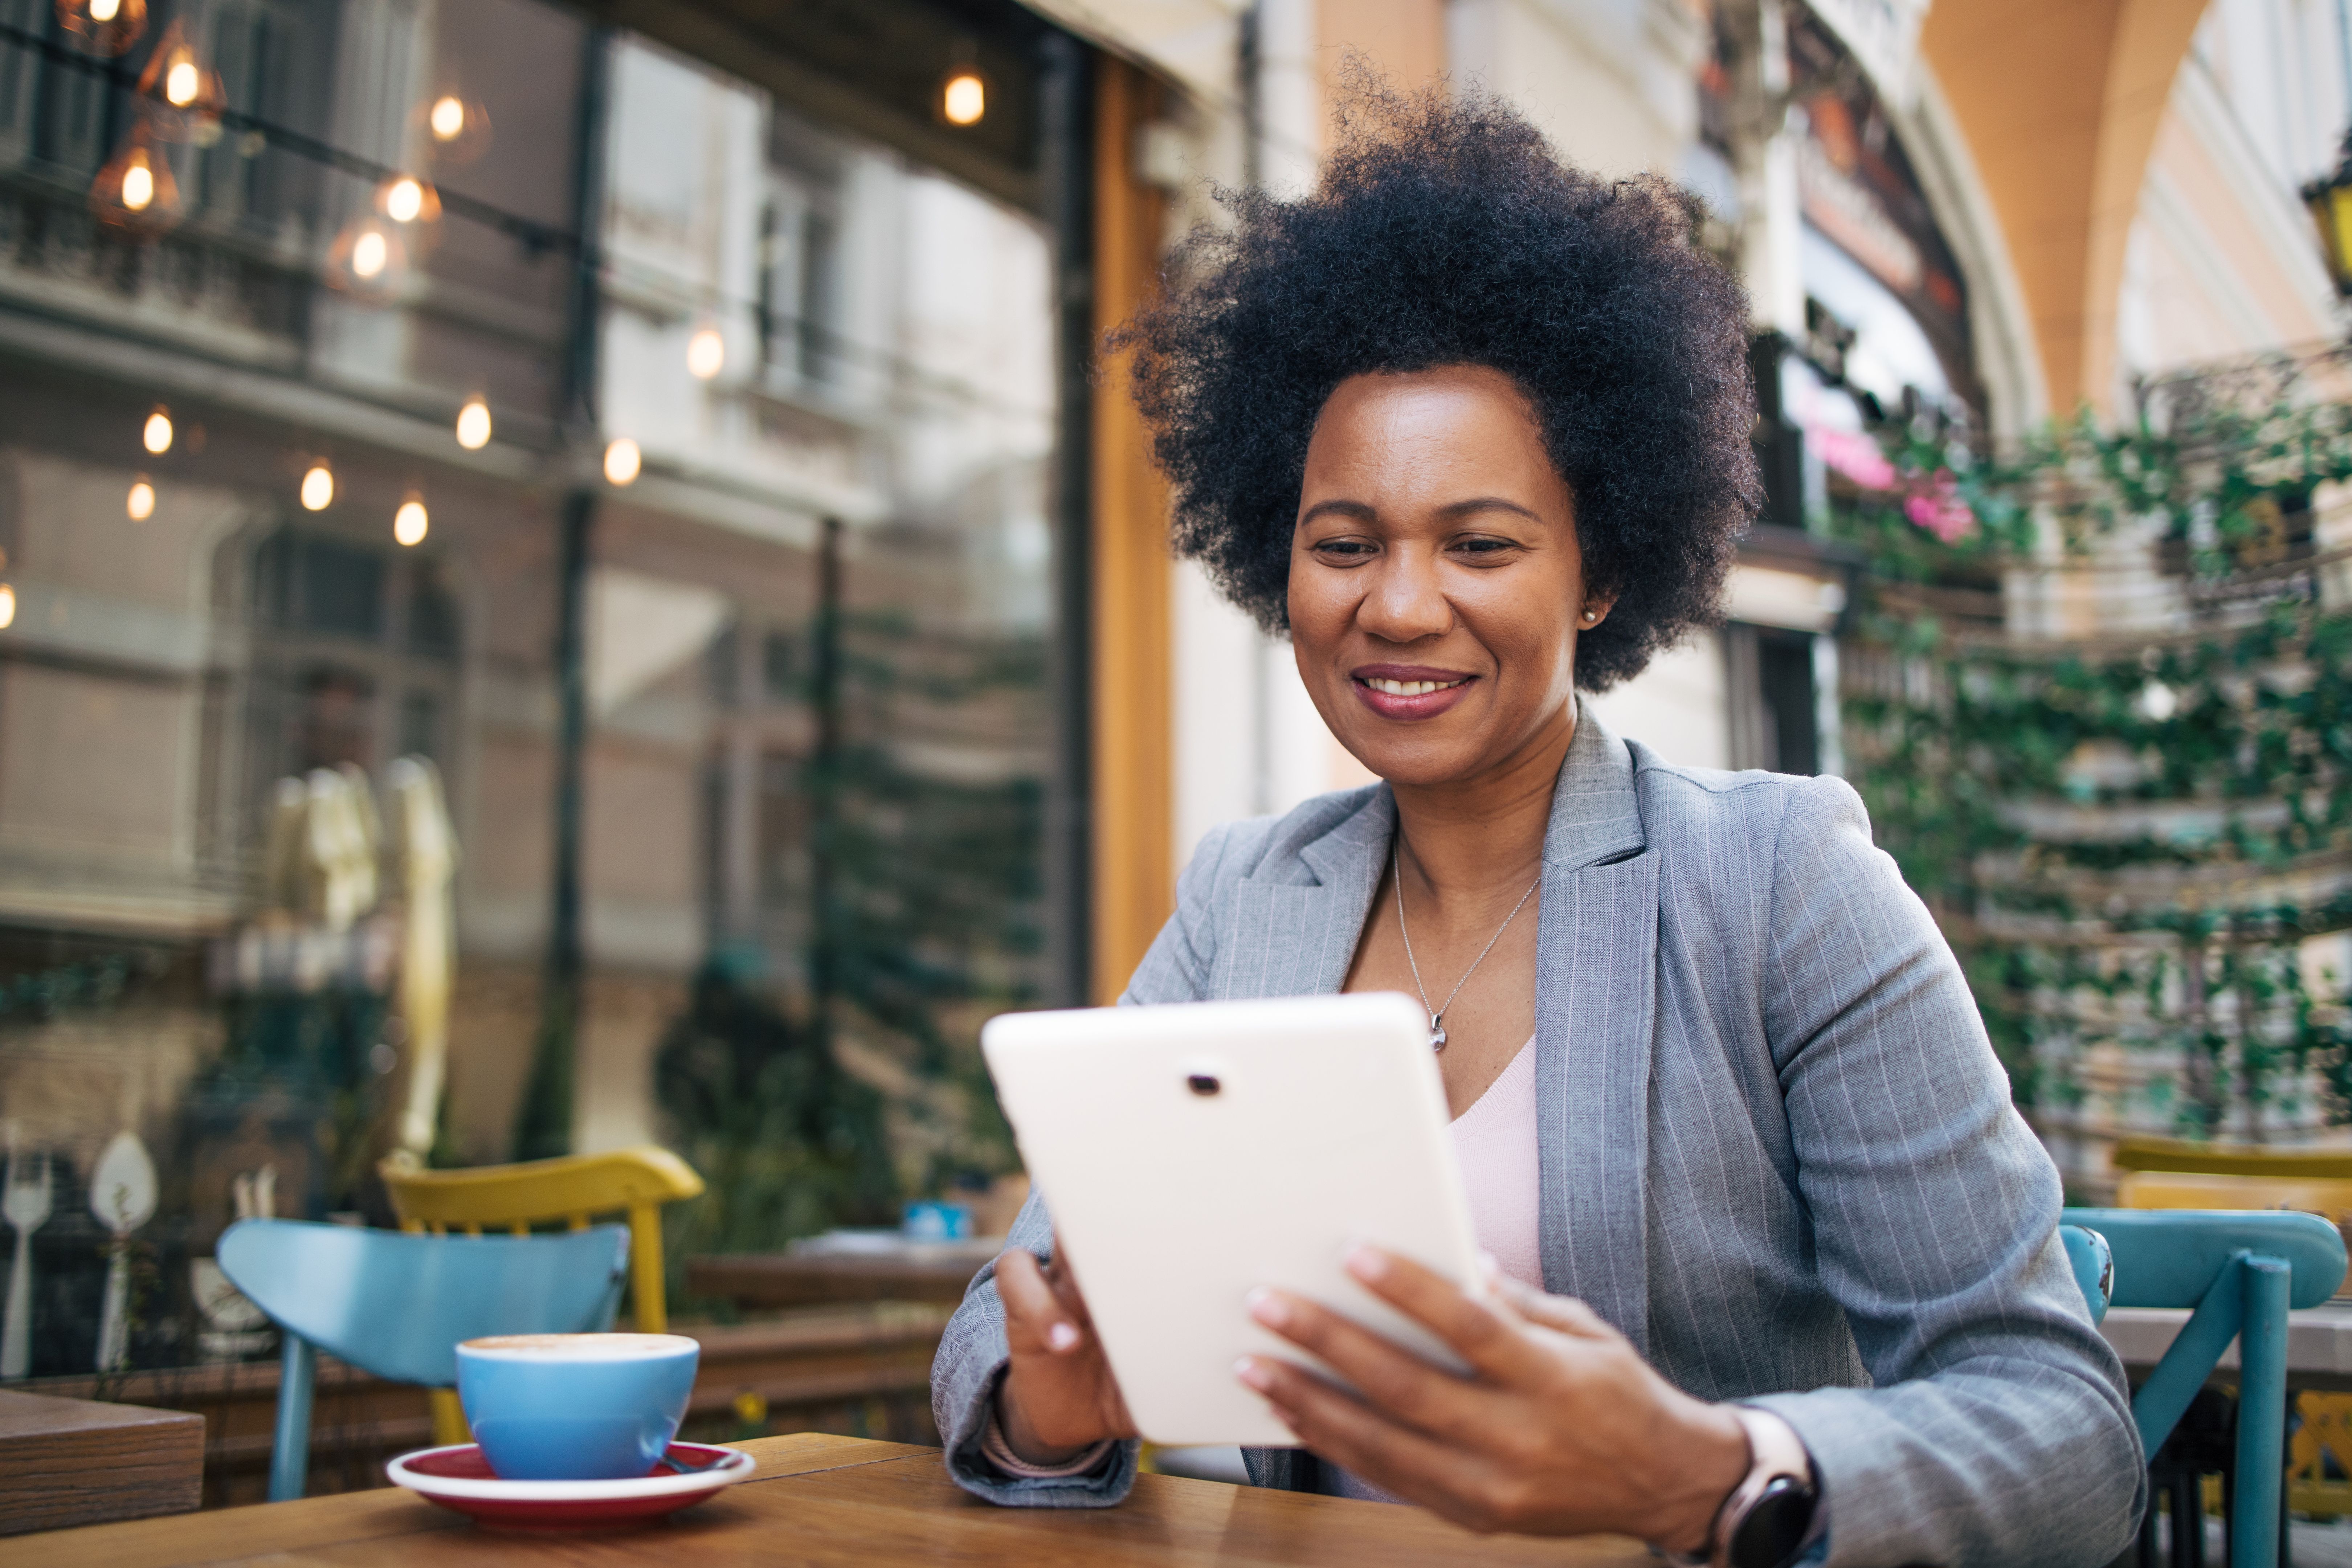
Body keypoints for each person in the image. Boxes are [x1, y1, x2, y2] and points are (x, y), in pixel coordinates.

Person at [930, 82, 2143, 1568]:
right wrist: (1050, 1407)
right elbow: (1010, 1309)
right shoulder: (1249, 898)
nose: (1398, 605)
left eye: (1481, 544)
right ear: (1279, 563)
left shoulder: (1780, 886)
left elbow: (2071, 1439)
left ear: (1599, 573)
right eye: (1345, 544)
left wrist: (1705, 1473)